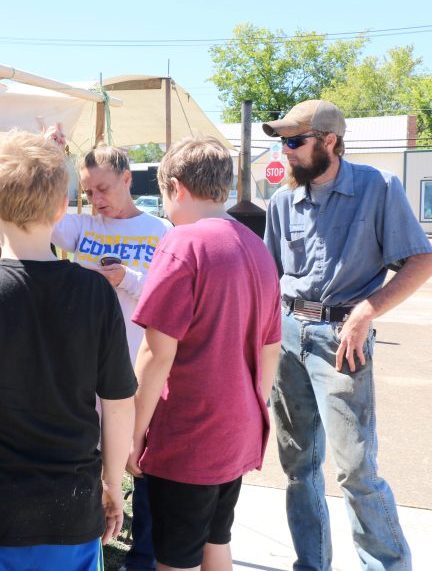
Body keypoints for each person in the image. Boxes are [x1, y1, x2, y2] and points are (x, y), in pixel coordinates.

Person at [0, 130, 136, 571]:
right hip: (70, 507)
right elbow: (118, 404)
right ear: (62, 209)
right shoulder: (96, 293)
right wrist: (112, 485)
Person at [262, 99, 432, 571]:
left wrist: (367, 311)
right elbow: (269, 275)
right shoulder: (281, 201)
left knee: (356, 469)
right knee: (298, 469)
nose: (286, 152)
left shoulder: (379, 188)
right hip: (287, 337)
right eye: (281, 143)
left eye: (295, 141)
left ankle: (387, 566)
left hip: (340, 340)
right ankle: (310, 565)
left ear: (330, 141)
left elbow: (421, 260)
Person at [128, 136, 282, 571]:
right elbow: (271, 348)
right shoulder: (256, 246)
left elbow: (156, 354)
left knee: (175, 558)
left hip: (189, 433)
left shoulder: (182, 244)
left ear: (176, 187)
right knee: (217, 541)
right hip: (238, 427)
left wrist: (134, 433)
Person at [51, 143, 171, 571]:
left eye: (103, 188)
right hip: (82, 366)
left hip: (140, 363)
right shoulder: (81, 226)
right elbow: (36, 211)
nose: (96, 199)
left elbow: (169, 298)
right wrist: (53, 155)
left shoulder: (160, 231)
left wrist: (127, 278)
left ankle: (143, 556)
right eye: (88, 191)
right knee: (88, 455)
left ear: (126, 179)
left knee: (142, 462)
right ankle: (87, 540)